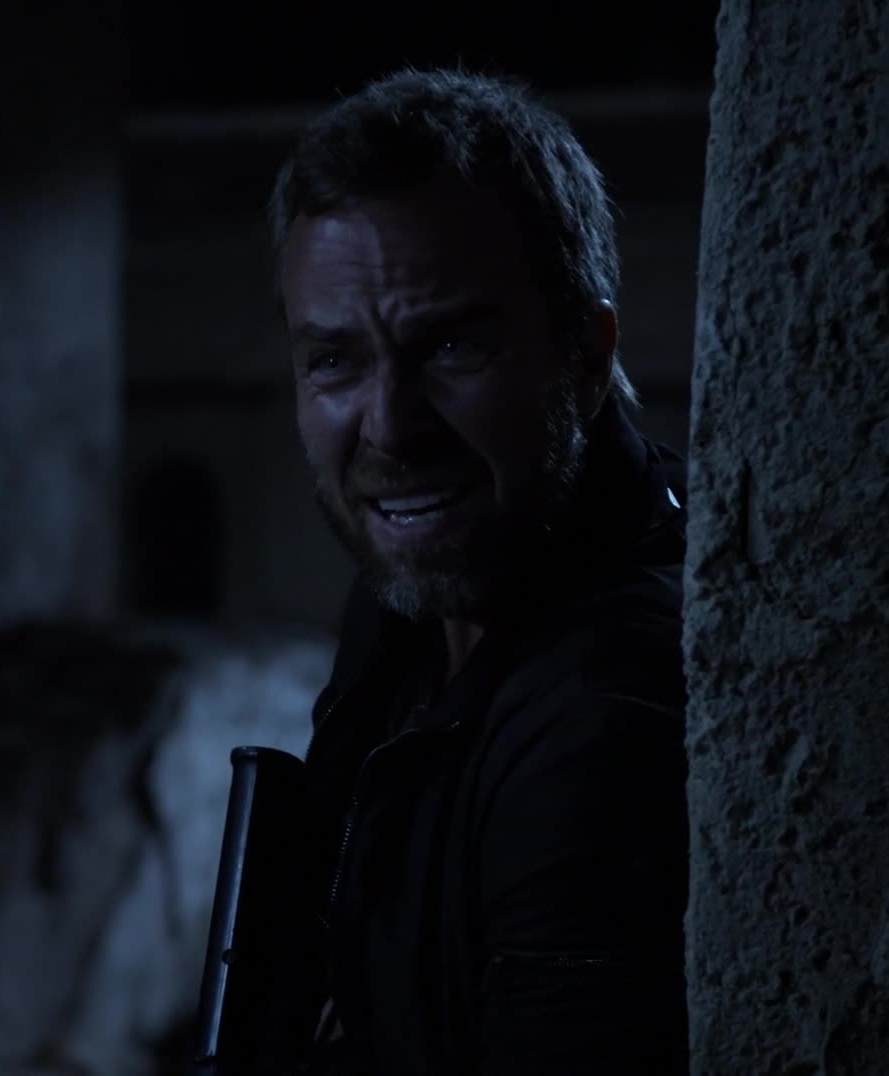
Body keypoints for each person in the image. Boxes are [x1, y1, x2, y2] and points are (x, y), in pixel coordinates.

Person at [267, 67, 690, 1075]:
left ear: (586, 357)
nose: (390, 428)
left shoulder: (605, 712)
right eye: (334, 361)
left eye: (451, 346)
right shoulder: (409, 606)